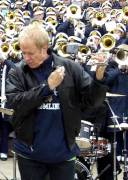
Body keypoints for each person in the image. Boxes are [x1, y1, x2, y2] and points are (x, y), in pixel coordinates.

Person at [6, 23, 108, 180]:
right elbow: (15, 103)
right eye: (23, 52)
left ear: (45, 47)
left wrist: (99, 78)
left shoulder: (71, 68)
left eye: (31, 53)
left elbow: (92, 101)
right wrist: (47, 87)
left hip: (63, 153)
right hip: (29, 154)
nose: (26, 58)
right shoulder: (18, 72)